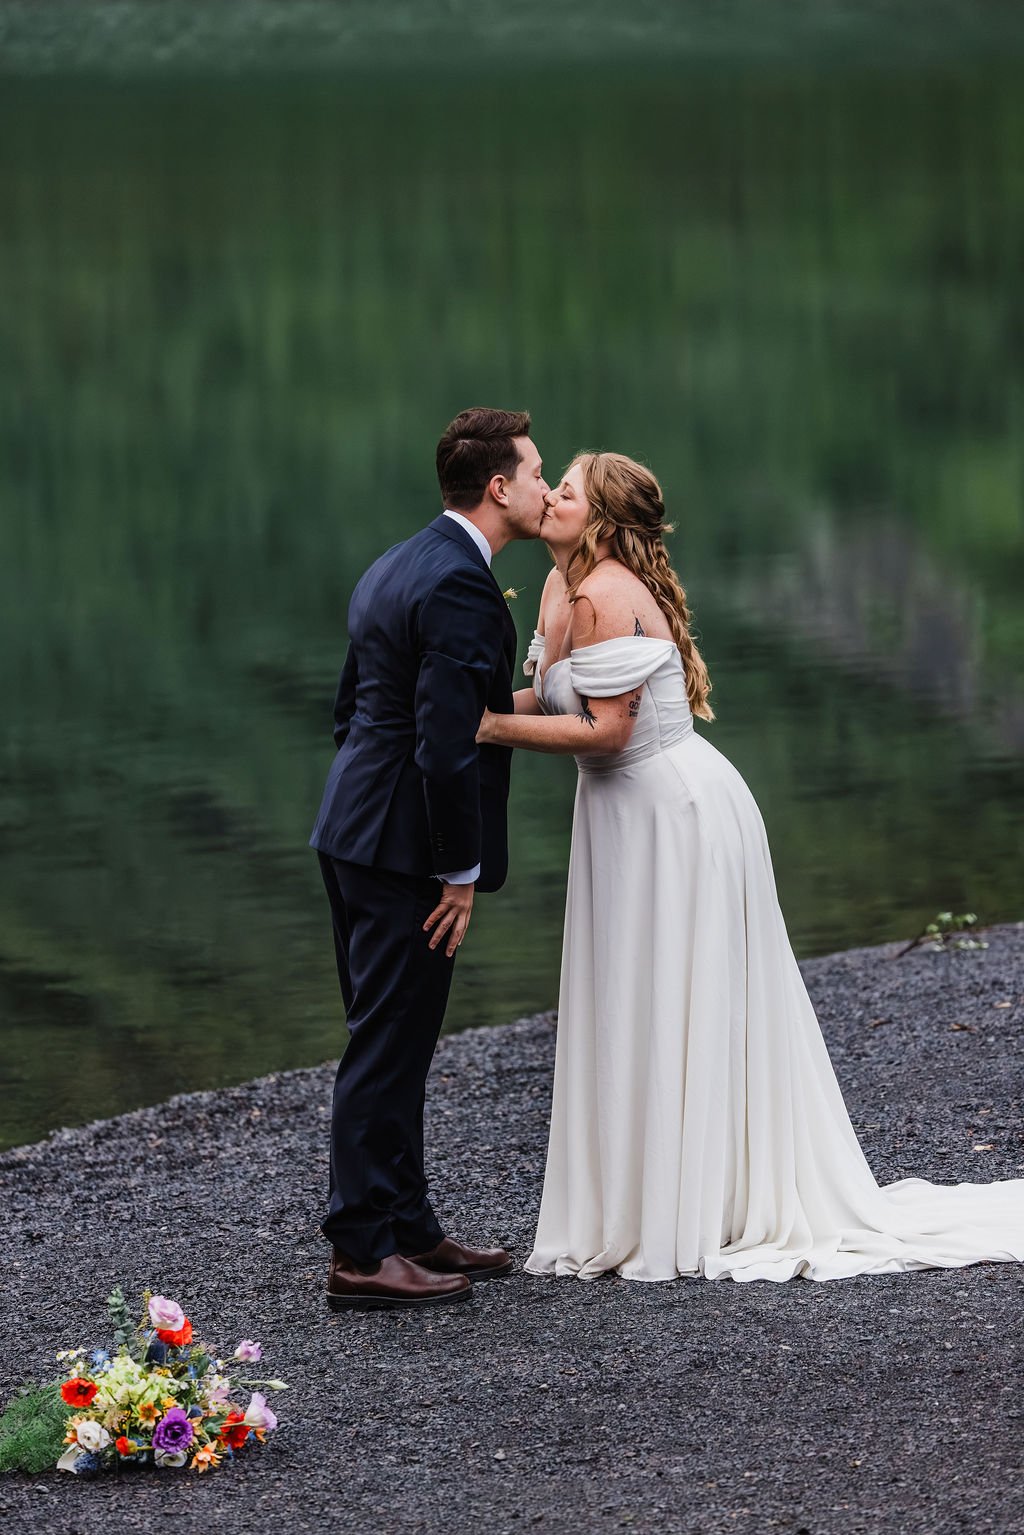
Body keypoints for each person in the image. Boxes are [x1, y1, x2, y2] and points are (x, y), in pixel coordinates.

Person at [477, 451, 1024, 1283]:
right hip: (624, 815)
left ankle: (692, 1204)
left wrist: (480, 730)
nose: (550, 494)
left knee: (675, 991)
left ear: (601, 520)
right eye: (553, 482)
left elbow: (606, 732)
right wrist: (458, 708)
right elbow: (553, 700)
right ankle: (658, 1193)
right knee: (639, 993)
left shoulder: (600, 594)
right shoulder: (558, 589)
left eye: (568, 488)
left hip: (673, 812)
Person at [310, 407, 549, 1308]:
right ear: (497, 486)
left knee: (396, 1035)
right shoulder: (457, 585)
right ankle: (362, 1254)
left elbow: (352, 709)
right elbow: (447, 743)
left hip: (356, 827)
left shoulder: (398, 561)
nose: (543, 484)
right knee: (385, 1040)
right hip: (403, 847)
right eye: (534, 471)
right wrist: (459, 869)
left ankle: (409, 1226)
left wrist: (362, 812)